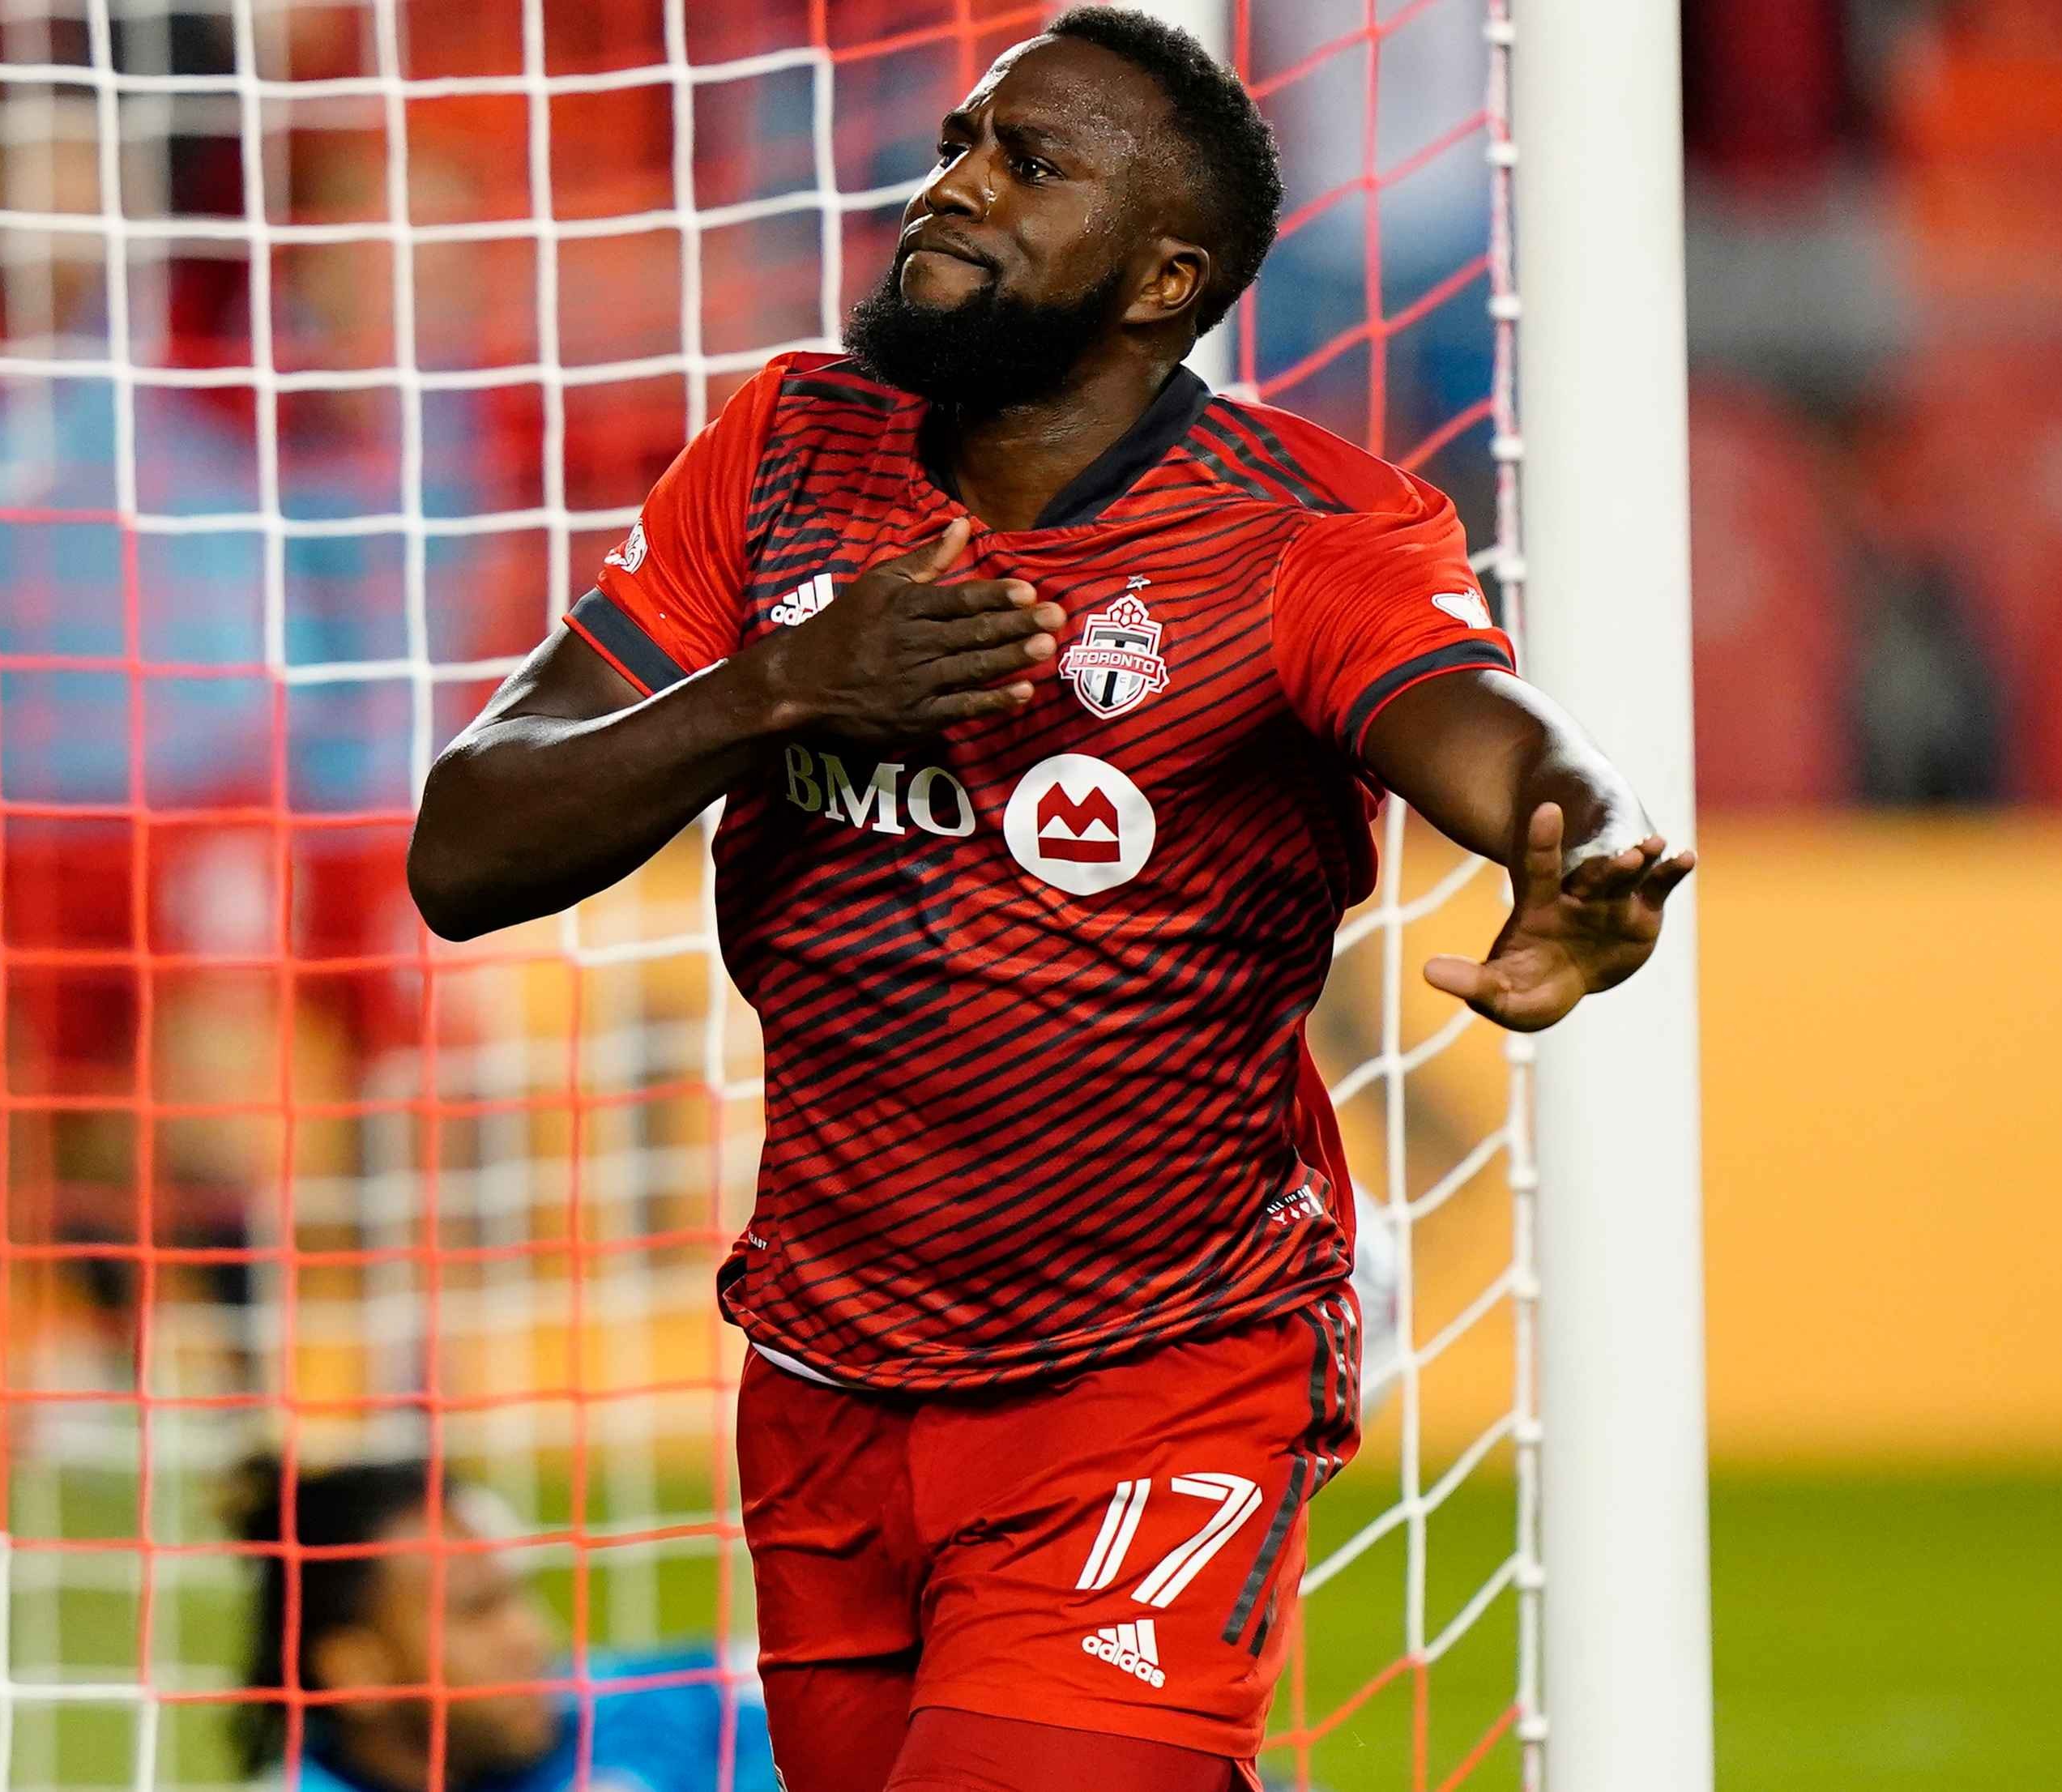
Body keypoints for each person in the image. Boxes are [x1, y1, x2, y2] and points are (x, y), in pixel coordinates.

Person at [406, 10, 1694, 1789]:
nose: (955, 186)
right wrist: (773, 689)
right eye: (961, 140)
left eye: (1028, 164)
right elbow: (464, 850)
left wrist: (1594, 846)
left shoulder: (1299, 536)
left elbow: (1504, 742)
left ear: (1166, 279)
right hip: (830, 1372)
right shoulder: (786, 449)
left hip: (1158, 1369)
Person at [232, 1455, 775, 1792]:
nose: (534, 1638)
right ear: (355, 1670)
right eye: (476, 1612)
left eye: (516, 1599)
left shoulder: (631, 1705)